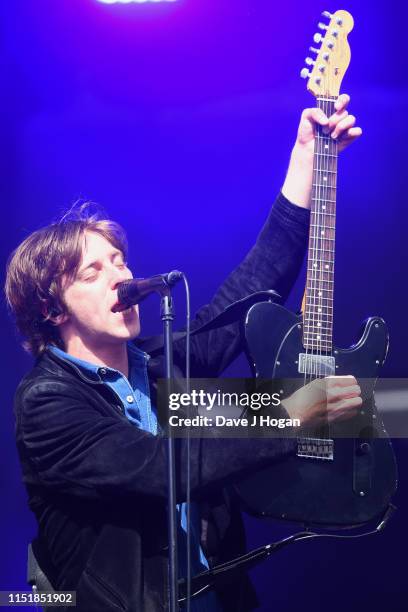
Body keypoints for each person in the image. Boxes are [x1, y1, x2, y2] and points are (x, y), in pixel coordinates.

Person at [5, 94, 363, 612]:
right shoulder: (46, 403)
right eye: (94, 271)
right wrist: (290, 417)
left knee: (372, 406)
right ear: (52, 309)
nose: (122, 276)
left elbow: (248, 296)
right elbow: (158, 468)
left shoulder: (159, 368)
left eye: (120, 261)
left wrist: (305, 158)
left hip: (218, 598)